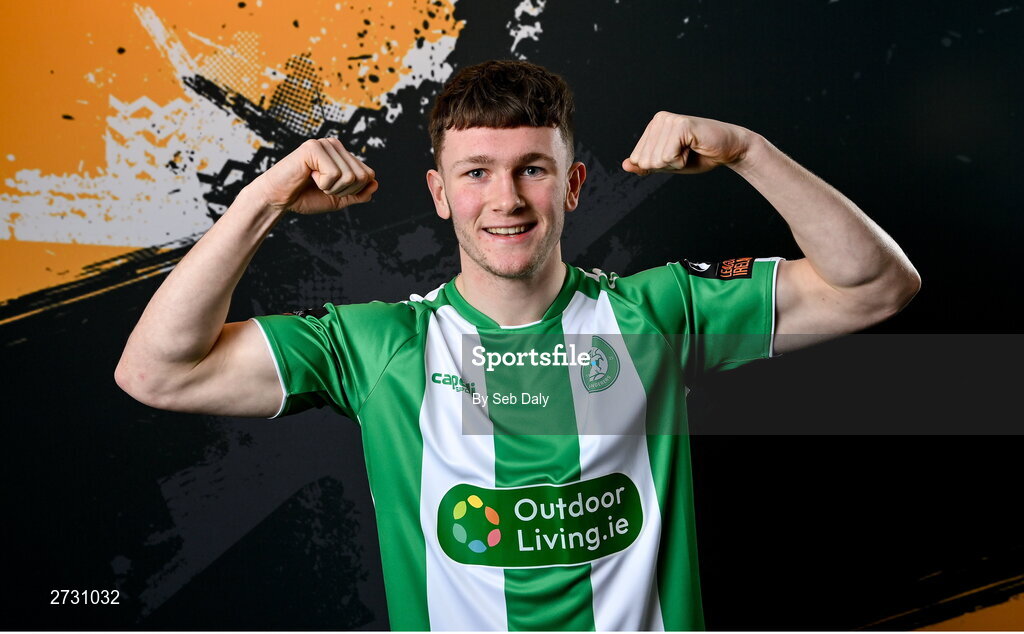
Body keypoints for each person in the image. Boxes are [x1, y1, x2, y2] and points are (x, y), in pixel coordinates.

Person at [115, 60, 920, 630]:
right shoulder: (381, 344)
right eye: (475, 173)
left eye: (533, 169)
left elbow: (877, 285)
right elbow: (159, 370)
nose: (505, 199)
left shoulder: (659, 313)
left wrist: (748, 151)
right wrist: (263, 200)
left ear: (571, 188)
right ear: (439, 193)